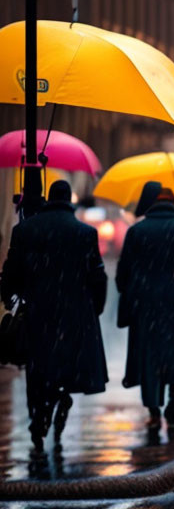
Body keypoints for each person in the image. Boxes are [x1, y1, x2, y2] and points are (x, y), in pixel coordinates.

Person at [0, 180, 107, 450]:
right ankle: (61, 401)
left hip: (37, 313)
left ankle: (38, 420)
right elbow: (97, 276)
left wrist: (11, 300)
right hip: (73, 315)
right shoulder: (85, 233)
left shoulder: (25, 230)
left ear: (49, 199)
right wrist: (95, 308)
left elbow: (11, 272)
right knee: (65, 368)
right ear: (68, 201)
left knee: (37, 371)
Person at [116, 182, 174, 433]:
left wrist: (131, 291)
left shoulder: (137, 232)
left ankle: (154, 411)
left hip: (145, 308)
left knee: (149, 358)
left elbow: (123, 274)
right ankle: (173, 403)